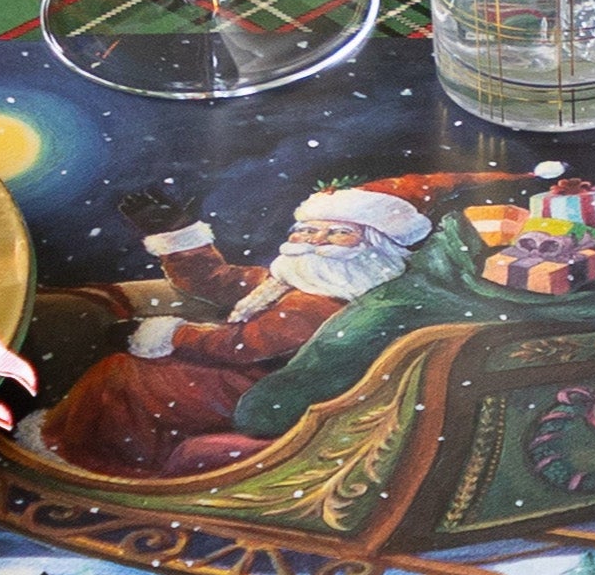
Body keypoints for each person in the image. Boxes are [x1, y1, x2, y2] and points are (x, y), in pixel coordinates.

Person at [27, 179, 469, 475]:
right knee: (140, 370)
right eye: (308, 232)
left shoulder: (325, 300)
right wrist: (177, 234)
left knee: (130, 375)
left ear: (374, 248)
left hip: (264, 388)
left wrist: (168, 335)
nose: (315, 243)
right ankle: (90, 442)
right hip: (250, 374)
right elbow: (218, 283)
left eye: (336, 235)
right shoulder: (293, 280)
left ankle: (100, 459)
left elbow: (243, 346)